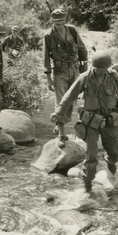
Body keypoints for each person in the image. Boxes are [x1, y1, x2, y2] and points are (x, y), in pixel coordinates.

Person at [50, 50, 118, 193]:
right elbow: (69, 96)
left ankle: (110, 161)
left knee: (115, 152)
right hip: (90, 121)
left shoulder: (113, 76)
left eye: (105, 69)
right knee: (91, 158)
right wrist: (58, 112)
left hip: (109, 121)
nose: (102, 71)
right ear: (94, 67)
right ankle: (88, 187)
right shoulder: (84, 78)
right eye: (99, 69)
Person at [42, 8, 88, 145]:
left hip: (74, 69)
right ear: (52, 22)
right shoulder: (48, 36)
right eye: (57, 23)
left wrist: (84, 67)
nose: (60, 26)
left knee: (72, 100)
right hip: (59, 71)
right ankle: (61, 133)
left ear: (65, 21)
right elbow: (45, 58)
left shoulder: (72, 30)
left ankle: (59, 123)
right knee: (61, 101)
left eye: (62, 22)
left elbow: (82, 48)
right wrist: (48, 77)